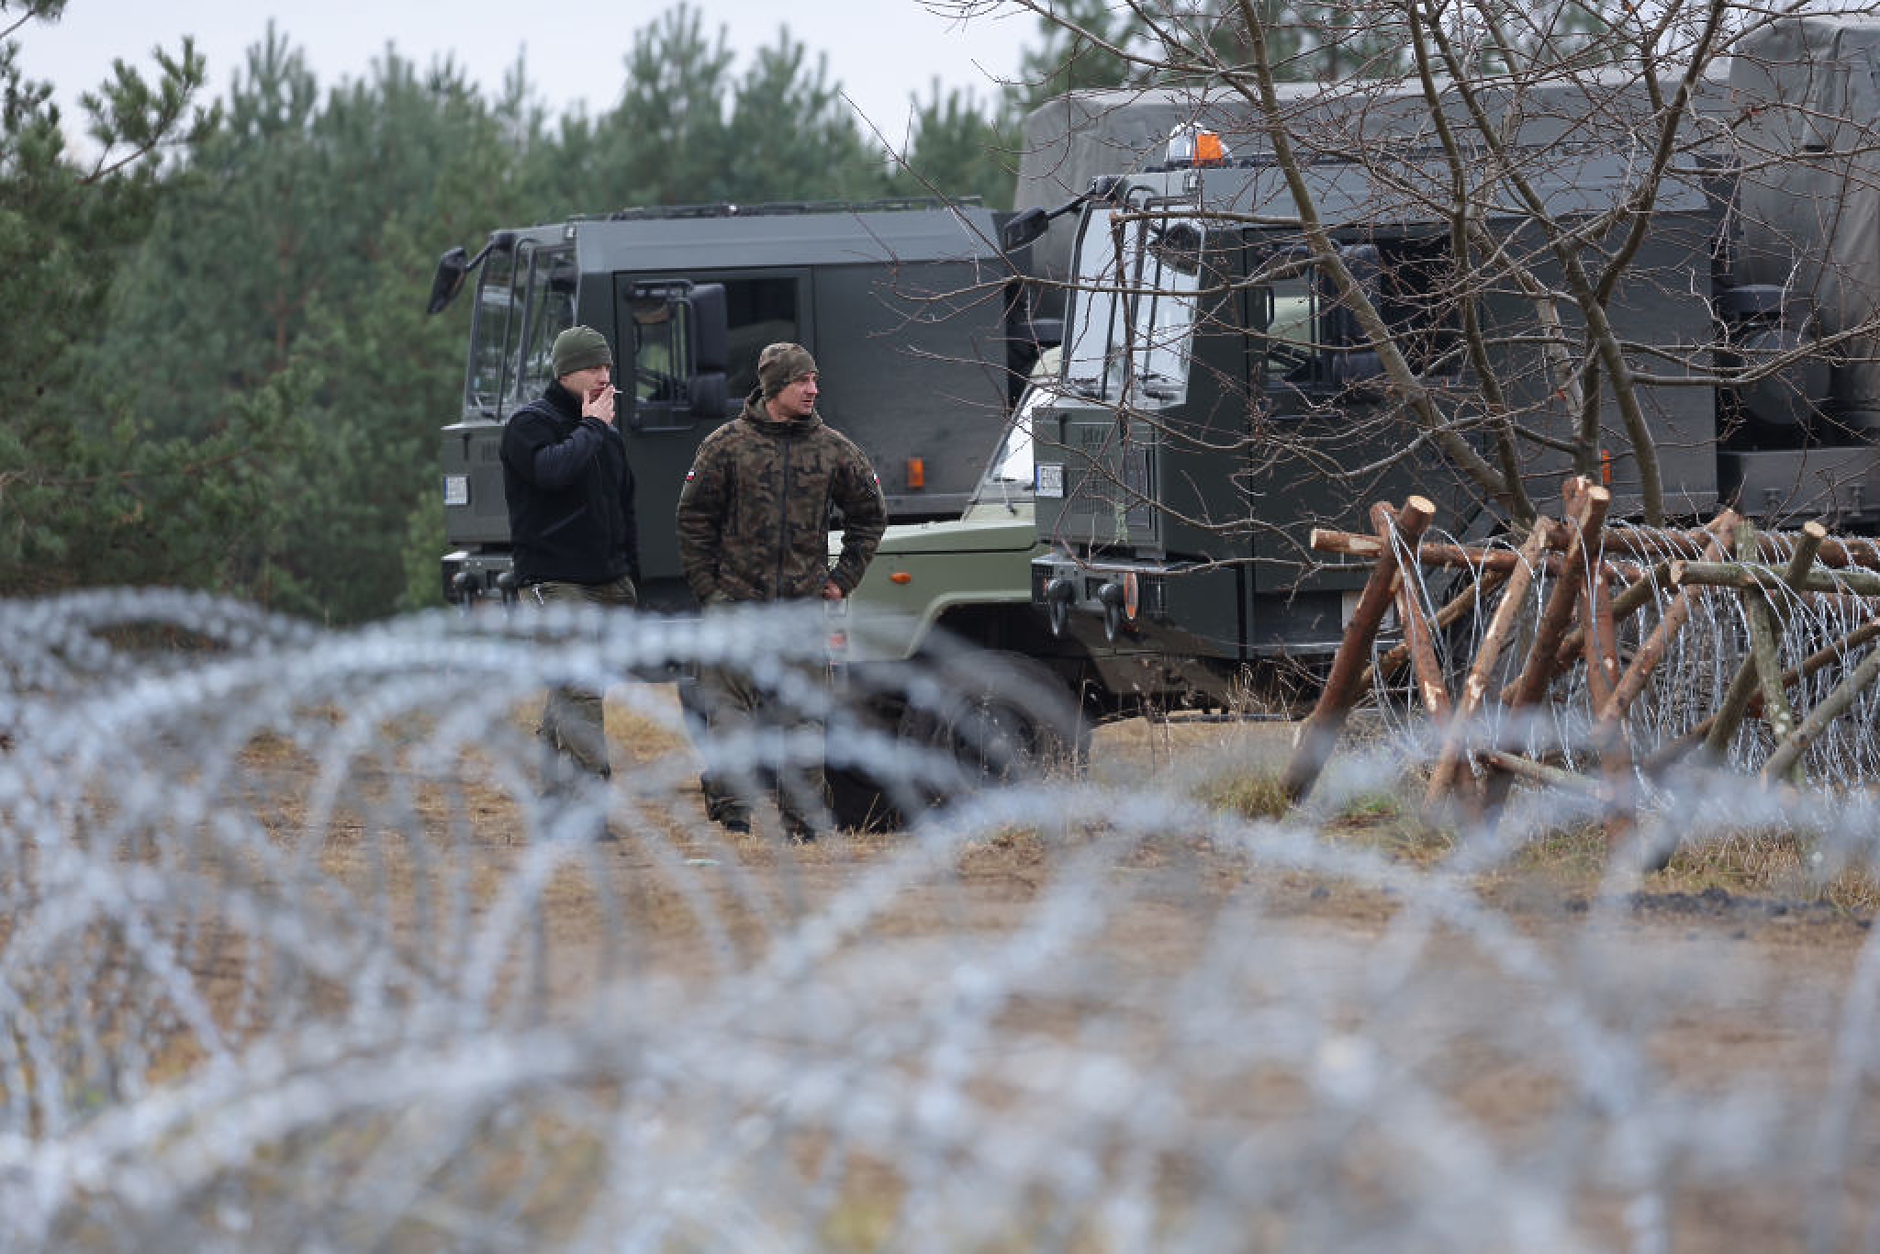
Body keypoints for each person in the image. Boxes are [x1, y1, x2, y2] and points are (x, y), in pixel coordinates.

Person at [676, 342, 887, 839]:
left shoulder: (834, 449)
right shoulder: (725, 446)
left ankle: (805, 824)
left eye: (815, 380)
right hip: (736, 606)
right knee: (729, 716)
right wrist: (711, 591)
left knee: (803, 722)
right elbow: (693, 519)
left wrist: (842, 579)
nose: (813, 389)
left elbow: (870, 515)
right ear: (774, 389)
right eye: (802, 382)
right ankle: (734, 818)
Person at [500, 324, 642, 799]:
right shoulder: (529, 424)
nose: (603, 376)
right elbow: (552, 472)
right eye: (591, 368)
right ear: (565, 373)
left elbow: (624, 505)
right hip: (554, 581)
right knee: (580, 689)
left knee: (571, 689)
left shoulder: (605, 433)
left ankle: (555, 799)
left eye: (606, 366)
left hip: (607, 580)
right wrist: (593, 427)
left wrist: (628, 574)